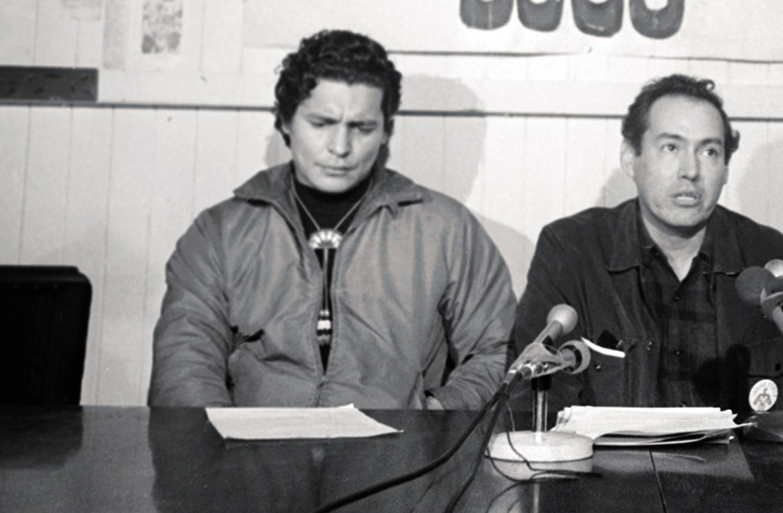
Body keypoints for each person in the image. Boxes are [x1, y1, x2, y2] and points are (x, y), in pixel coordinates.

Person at [149, 30, 515, 409]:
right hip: (253, 461)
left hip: (398, 460)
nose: (340, 148)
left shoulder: (446, 229)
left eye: (362, 127)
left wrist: (436, 420)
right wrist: (222, 452)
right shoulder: (218, 233)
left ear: (387, 130)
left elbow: (499, 351)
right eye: (321, 123)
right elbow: (185, 367)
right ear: (286, 122)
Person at [513, 74, 783, 413]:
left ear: (724, 169)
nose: (691, 171)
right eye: (671, 148)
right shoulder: (572, 250)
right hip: (611, 482)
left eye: (709, 152)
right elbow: (529, 399)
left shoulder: (774, 259)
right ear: (630, 158)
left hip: (749, 485)